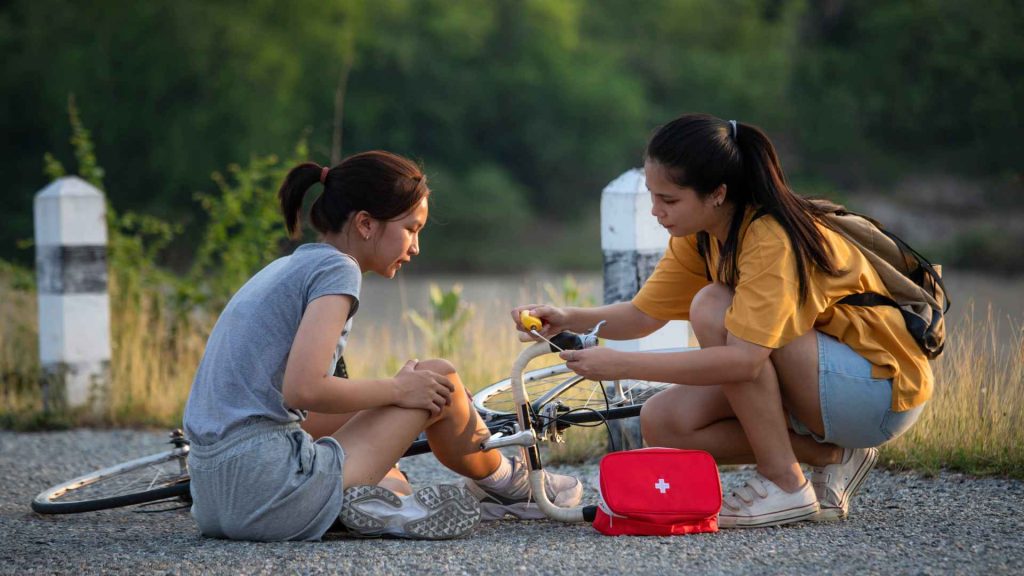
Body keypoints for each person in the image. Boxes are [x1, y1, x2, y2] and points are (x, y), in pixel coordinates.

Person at [513, 114, 930, 528]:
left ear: (717, 193)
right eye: (652, 197)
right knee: (664, 423)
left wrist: (620, 365)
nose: (657, 211)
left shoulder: (769, 238)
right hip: (821, 379)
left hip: (876, 391)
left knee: (712, 305)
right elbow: (642, 316)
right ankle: (835, 455)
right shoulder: (700, 234)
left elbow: (745, 363)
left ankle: (784, 482)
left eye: (669, 200)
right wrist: (566, 317)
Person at [183, 150, 581, 542]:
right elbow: (303, 388)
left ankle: (391, 497)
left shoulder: (286, 266)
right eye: (411, 228)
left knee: (408, 416)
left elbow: (292, 403)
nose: (416, 246)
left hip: (216, 499)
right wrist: (398, 389)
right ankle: (508, 484)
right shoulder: (338, 269)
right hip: (272, 490)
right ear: (365, 224)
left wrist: (389, 399)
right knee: (437, 376)